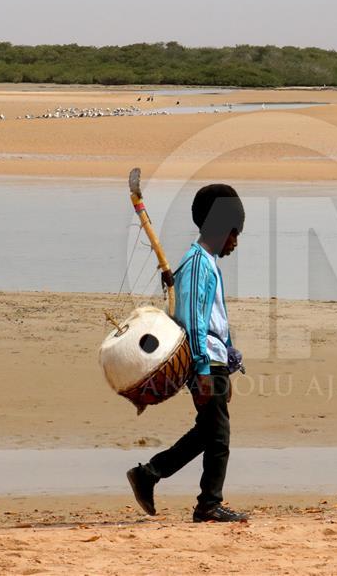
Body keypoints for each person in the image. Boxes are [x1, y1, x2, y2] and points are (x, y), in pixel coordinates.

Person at [127, 184, 248, 523]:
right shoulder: (197, 264)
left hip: (215, 360)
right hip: (204, 361)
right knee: (218, 436)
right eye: (234, 233)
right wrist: (203, 369)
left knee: (209, 432)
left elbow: (215, 322)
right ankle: (208, 505)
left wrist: (229, 360)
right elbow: (194, 322)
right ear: (220, 228)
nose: (235, 242)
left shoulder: (206, 263)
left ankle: (149, 474)